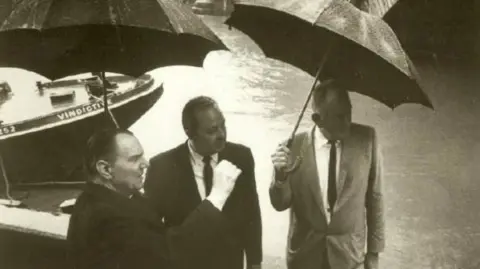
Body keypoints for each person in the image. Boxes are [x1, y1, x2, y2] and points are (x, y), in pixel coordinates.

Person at [67, 128, 242, 269]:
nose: (146, 163)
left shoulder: (92, 199)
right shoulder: (108, 217)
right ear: (105, 170)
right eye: (134, 159)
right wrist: (217, 197)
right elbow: (170, 256)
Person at [270, 80, 385, 269]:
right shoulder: (292, 147)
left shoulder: (367, 139)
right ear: (317, 119)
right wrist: (280, 177)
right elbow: (280, 204)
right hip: (305, 257)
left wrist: (373, 254)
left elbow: (376, 199)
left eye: (349, 112)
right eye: (340, 116)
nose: (347, 121)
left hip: (350, 258)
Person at [144, 96, 263, 269]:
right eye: (211, 130)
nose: (222, 134)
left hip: (230, 262)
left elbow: (251, 212)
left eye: (223, 125)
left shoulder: (241, 156)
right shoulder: (162, 166)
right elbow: (153, 229)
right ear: (189, 131)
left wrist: (255, 261)